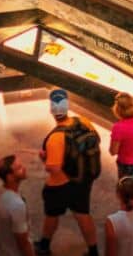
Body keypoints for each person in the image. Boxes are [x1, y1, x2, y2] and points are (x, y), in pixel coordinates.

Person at [34, 89, 99, 256]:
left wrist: (45, 159)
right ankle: (93, 252)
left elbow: (54, 168)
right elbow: (96, 139)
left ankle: (44, 245)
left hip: (62, 184)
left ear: (51, 110)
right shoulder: (83, 121)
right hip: (84, 177)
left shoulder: (56, 138)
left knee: (52, 213)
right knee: (82, 213)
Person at [0, 155, 35, 256]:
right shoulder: (17, 205)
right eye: (19, 168)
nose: (24, 168)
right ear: (9, 177)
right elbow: (23, 242)